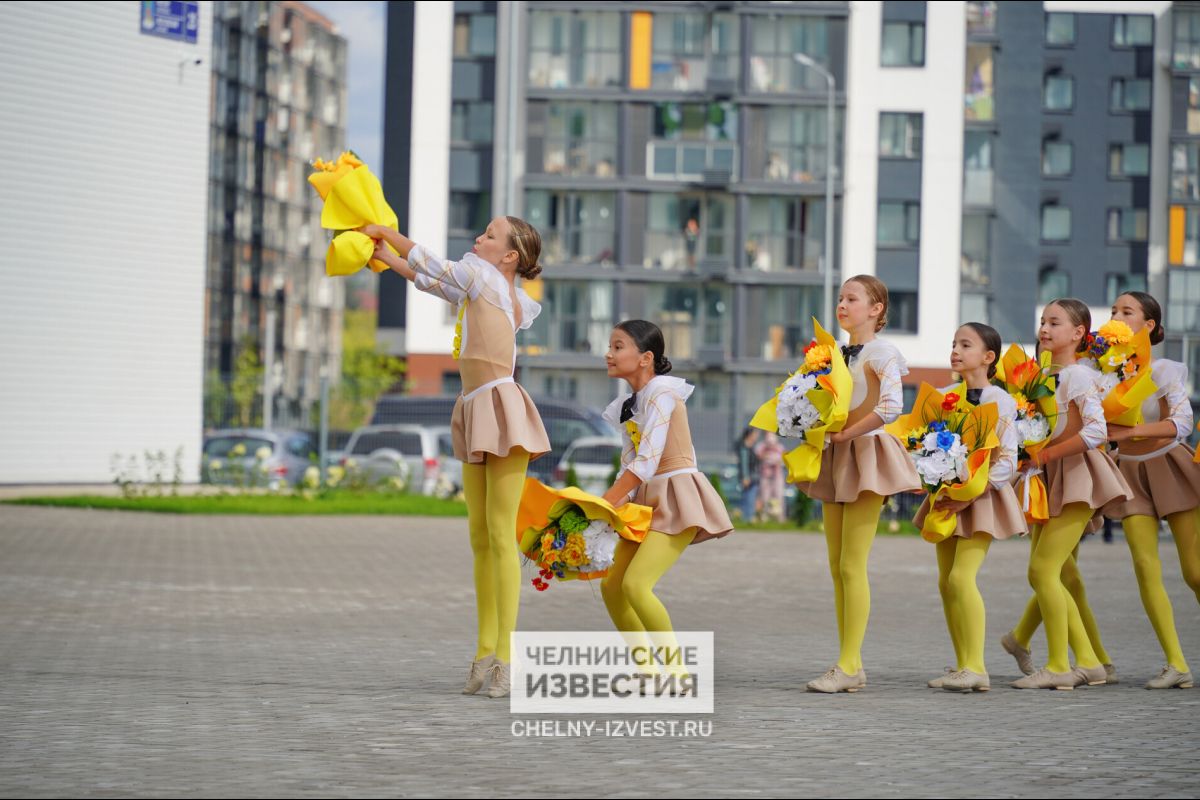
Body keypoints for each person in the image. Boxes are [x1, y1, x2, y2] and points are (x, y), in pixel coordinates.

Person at [363, 217, 551, 699]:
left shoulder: (486, 278)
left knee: (501, 535)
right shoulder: (480, 283)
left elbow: (434, 265)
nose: (479, 239)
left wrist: (388, 235)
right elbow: (434, 280)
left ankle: (506, 658)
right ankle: (484, 651)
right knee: (480, 535)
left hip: (499, 404)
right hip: (472, 404)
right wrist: (386, 258)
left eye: (490, 236)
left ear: (509, 256)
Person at [792, 275, 921, 693]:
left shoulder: (884, 350)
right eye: (840, 298)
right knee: (836, 566)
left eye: (852, 298)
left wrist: (846, 434)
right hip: (836, 453)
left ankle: (847, 666)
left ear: (876, 308)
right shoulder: (830, 354)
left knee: (852, 564)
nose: (842, 304)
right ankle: (853, 663)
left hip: (866, 454)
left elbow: (891, 406)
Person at [1003, 298, 1132, 690]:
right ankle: (1089, 662)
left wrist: (1045, 452)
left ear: (1078, 334)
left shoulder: (1076, 376)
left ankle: (1059, 667)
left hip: (1078, 475)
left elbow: (1095, 430)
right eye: (1043, 321)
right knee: (1051, 572)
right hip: (1048, 476)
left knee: (1043, 571)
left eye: (1055, 323)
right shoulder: (1042, 373)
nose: (1045, 328)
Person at [599, 320, 733, 689]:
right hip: (645, 500)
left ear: (645, 358)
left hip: (677, 497)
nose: (608, 353)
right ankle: (647, 670)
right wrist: (604, 509)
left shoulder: (662, 393)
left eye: (618, 346)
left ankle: (676, 673)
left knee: (637, 586)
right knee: (612, 586)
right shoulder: (629, 404)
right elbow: (630, 464)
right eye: (610, 346)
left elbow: (647, 461)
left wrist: (606, 504)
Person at [915, 323, 1027, 693]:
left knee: (962, 578)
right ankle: (963, 664)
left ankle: (977, 666)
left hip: (981, 500)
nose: (956, 350)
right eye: (954, 344)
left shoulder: (1002, 401)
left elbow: (1010, 459)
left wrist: (977, 488)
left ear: (988, 357)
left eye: (966, 345)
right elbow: (925, 445)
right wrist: (931, 475)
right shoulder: (943, 396)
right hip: (945, 499)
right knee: (946, 583)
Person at [1102, 291, 1198, 689]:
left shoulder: (1163, 371)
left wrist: (1135, 430)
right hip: (1131, 475)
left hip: (1172, 467)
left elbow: (1183, 422)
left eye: (1127, 312)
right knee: (1145, 569)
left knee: (1194, 572)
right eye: (1112, 311)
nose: (1117, 317)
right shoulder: (1102, 375)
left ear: (1149, 326)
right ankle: (1176, 664)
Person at [756, 432, 787, 523]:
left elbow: (784, 459)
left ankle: (780, 518)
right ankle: (764, 517)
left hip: (777, 475)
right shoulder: (761, 447)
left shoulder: (780, 447)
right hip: (765, 475)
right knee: (765, 497)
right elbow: (758, 457)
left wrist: (778, 461)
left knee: (779, 496)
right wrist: (765, 456)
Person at [736, 427, 761, 523]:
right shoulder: (744, 447)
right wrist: (745, 477)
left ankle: (749, 517)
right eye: (755, 434)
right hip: (749, 478)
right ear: (750, 435)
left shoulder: (751, 447)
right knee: (748, 498)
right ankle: (747, 518)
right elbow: (744, 463)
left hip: (754, 477)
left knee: (751, 498)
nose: (756, 436)